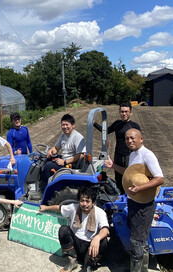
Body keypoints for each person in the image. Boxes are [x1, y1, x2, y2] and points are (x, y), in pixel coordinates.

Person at [105, 128, 164, 272]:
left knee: (137, 241)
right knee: (138, 238)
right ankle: (141, 268)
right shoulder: (132, 155)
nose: (129, 141)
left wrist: (140, 189)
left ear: (141, 139)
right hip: (134, 201)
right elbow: (128, 173)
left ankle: (137, 269)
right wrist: (112, 165)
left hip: (144, 204)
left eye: (132, 138)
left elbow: (160, 178)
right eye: (127, 139)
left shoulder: (147, 155)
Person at [40, 186, 109, 272]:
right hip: (75, 245)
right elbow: (59, 208)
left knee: (104, 241)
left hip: (89, 248)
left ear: (93, 203)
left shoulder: (100, 213)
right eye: (82, 200)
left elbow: (105, 229)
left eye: (88, 201)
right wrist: (46, 208)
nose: (84, 204)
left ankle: (88, 265)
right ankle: (72, 261)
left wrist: (97, 238)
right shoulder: (74, 207)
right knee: (63, 230)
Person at [94, 102, 141, 194]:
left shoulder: (135, 126)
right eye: (122, 111)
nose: (124, 114)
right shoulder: (117, 124)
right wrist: (94, 123)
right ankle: (120, 197)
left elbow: (138, 142)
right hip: (118, 155)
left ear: (130, 112)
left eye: (126, 112)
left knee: (129, 178)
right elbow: (105, 131)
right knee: (118, 179)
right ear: (119, 112)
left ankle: (131, 196)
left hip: (129, 156)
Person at [42, 114, 86, 184]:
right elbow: (56, 148)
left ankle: (45, 187)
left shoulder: (78, 137)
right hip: (64, 160)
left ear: (73, 125)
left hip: (71, 164)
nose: (65, 127)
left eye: (67, 124)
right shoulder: (63, 135)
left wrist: (64, 162)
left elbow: (80, 155)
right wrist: (51, 151)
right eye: (63, 125)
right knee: (44, 160)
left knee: (48, 166)